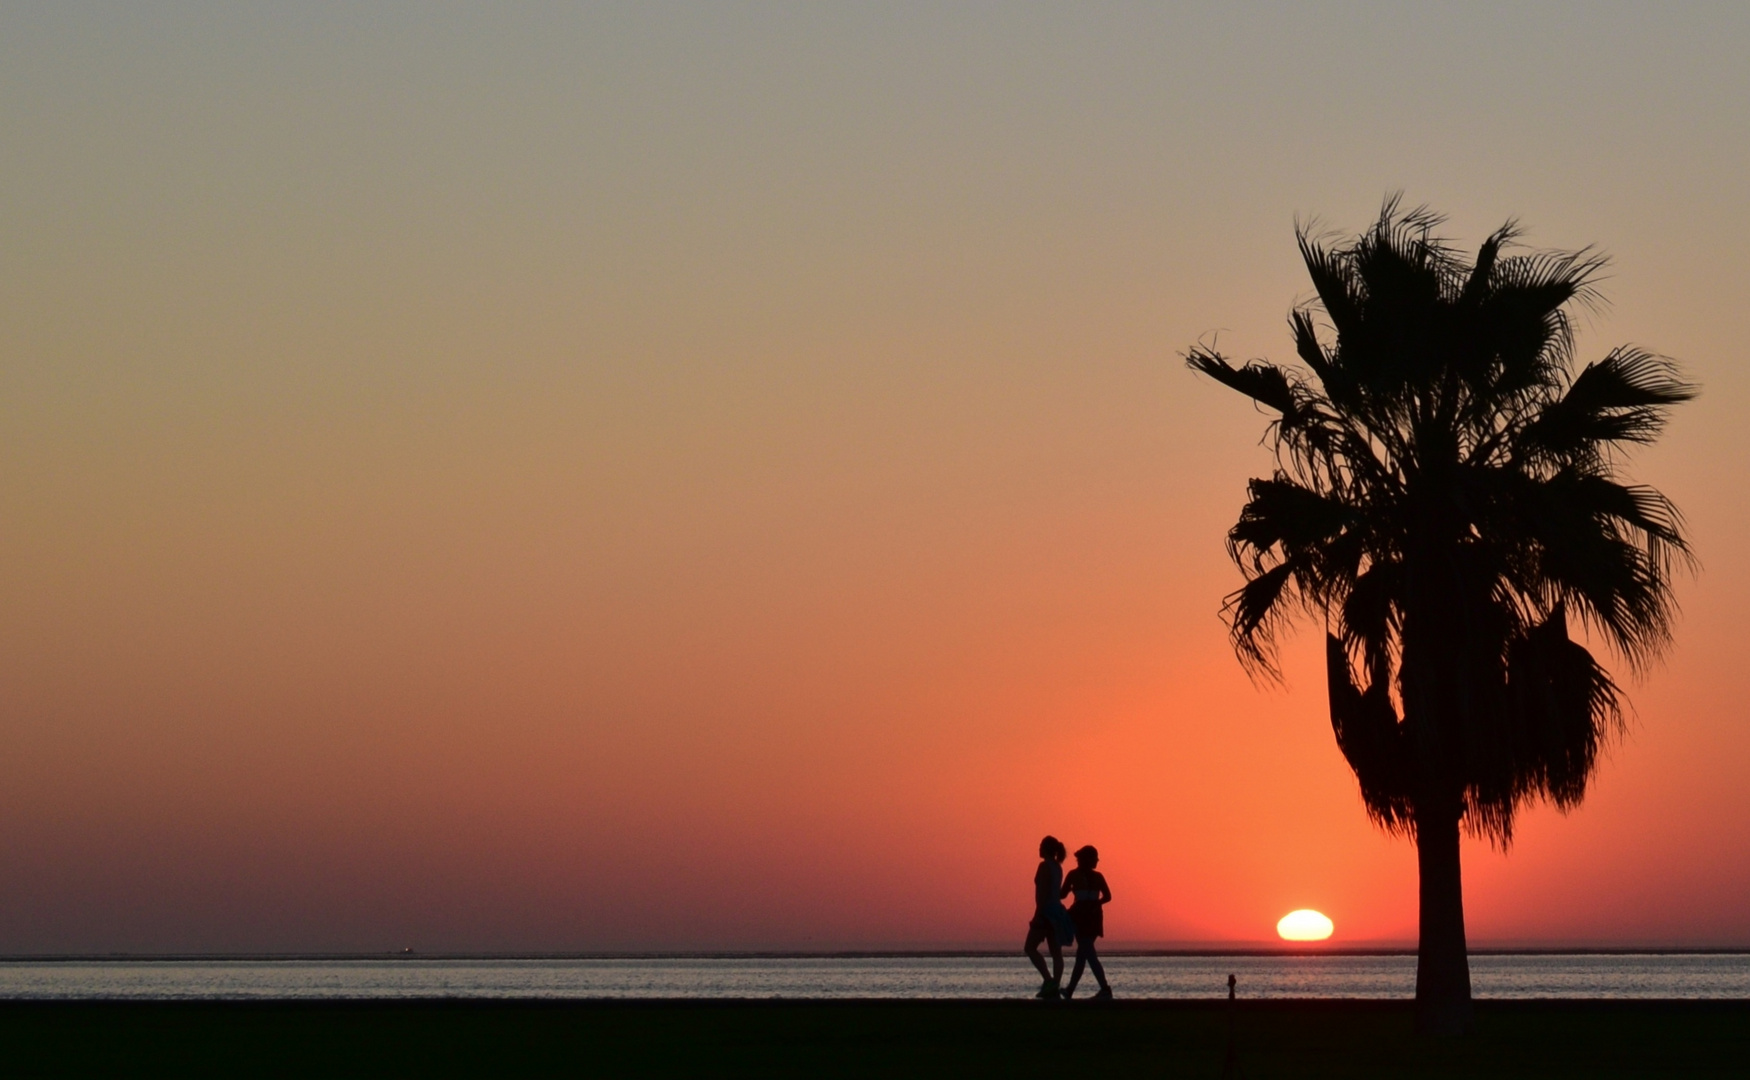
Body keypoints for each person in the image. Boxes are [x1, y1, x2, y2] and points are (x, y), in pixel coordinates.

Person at [1023, 836, 1072, 999]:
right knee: (1056, 952)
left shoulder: (1044, 866)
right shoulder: (1057, 867)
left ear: (1045, 849)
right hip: (1057, 912)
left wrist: (1038, 914)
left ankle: (1049, 980)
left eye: (1040, 846)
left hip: (1046, 913)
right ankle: (1054, 985)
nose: (1038, 849)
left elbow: (1042, 893)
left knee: (1030, 947)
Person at [1061, 845, 1112, 1000]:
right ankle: (1070, 990)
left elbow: (1108, 896)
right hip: (1083, 916)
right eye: (1094, 858)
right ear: (1086, 859)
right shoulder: (1074, 875)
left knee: (1087, 952)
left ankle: (1105, 989)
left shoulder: (1097, 876)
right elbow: (1063, 894)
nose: (1097, 861)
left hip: (1089, 916)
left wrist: (1095, 904)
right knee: (1082, 955)